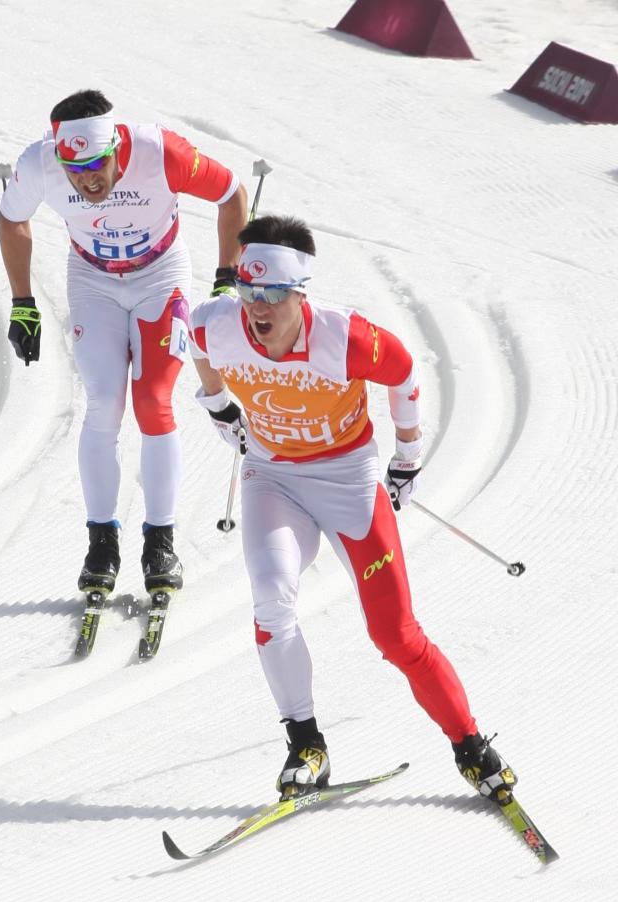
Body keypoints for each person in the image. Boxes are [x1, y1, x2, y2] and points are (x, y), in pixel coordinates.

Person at [189, 214, 517, 802]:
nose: (256, 308)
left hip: (348, 484)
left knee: (395, 635)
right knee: (272, 602)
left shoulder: (346, 339)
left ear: (299, 293)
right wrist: (217, 406)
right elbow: (195, 340)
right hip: (273, 479)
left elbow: (405, 373)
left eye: (271, 295)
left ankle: (469, 745)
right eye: (246, 291)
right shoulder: (219, 323)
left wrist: (407, 457)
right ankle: (306, 744)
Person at [0, 89, 247, 594]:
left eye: (98, 164)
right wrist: (22, 300)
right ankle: (101, 541)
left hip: (160, 276)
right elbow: (13, 218)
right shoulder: (39, 162)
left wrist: (227, 277)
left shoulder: (161, 152)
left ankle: (160, 540)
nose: (89, 179)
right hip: (92, 281)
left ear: (116, 147)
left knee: (153, 399)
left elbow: (233, 193)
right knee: (104, 405)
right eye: (76, 169)